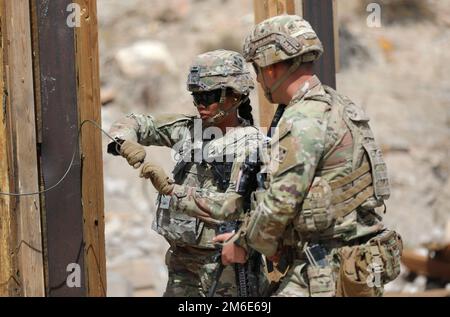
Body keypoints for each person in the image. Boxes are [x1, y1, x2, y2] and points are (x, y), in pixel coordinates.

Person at [214, 15, 403, 297]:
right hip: (356, 264)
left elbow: (282, 201)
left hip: (324, 269)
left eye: (258, 68)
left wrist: (241, 244)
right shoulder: (338, 104)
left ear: (273, 68)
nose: (258, 77)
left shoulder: (302, 118)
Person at [108, 49, 266, 297]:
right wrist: (125, 143)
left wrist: (173, 190)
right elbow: (135, 123)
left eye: (210, 96)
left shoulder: (253, 147)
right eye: (197, 97)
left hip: (225, 266)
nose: (201, 105)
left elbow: (237, 208)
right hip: (181, 262)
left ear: (235, 95)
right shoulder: (188, 130)